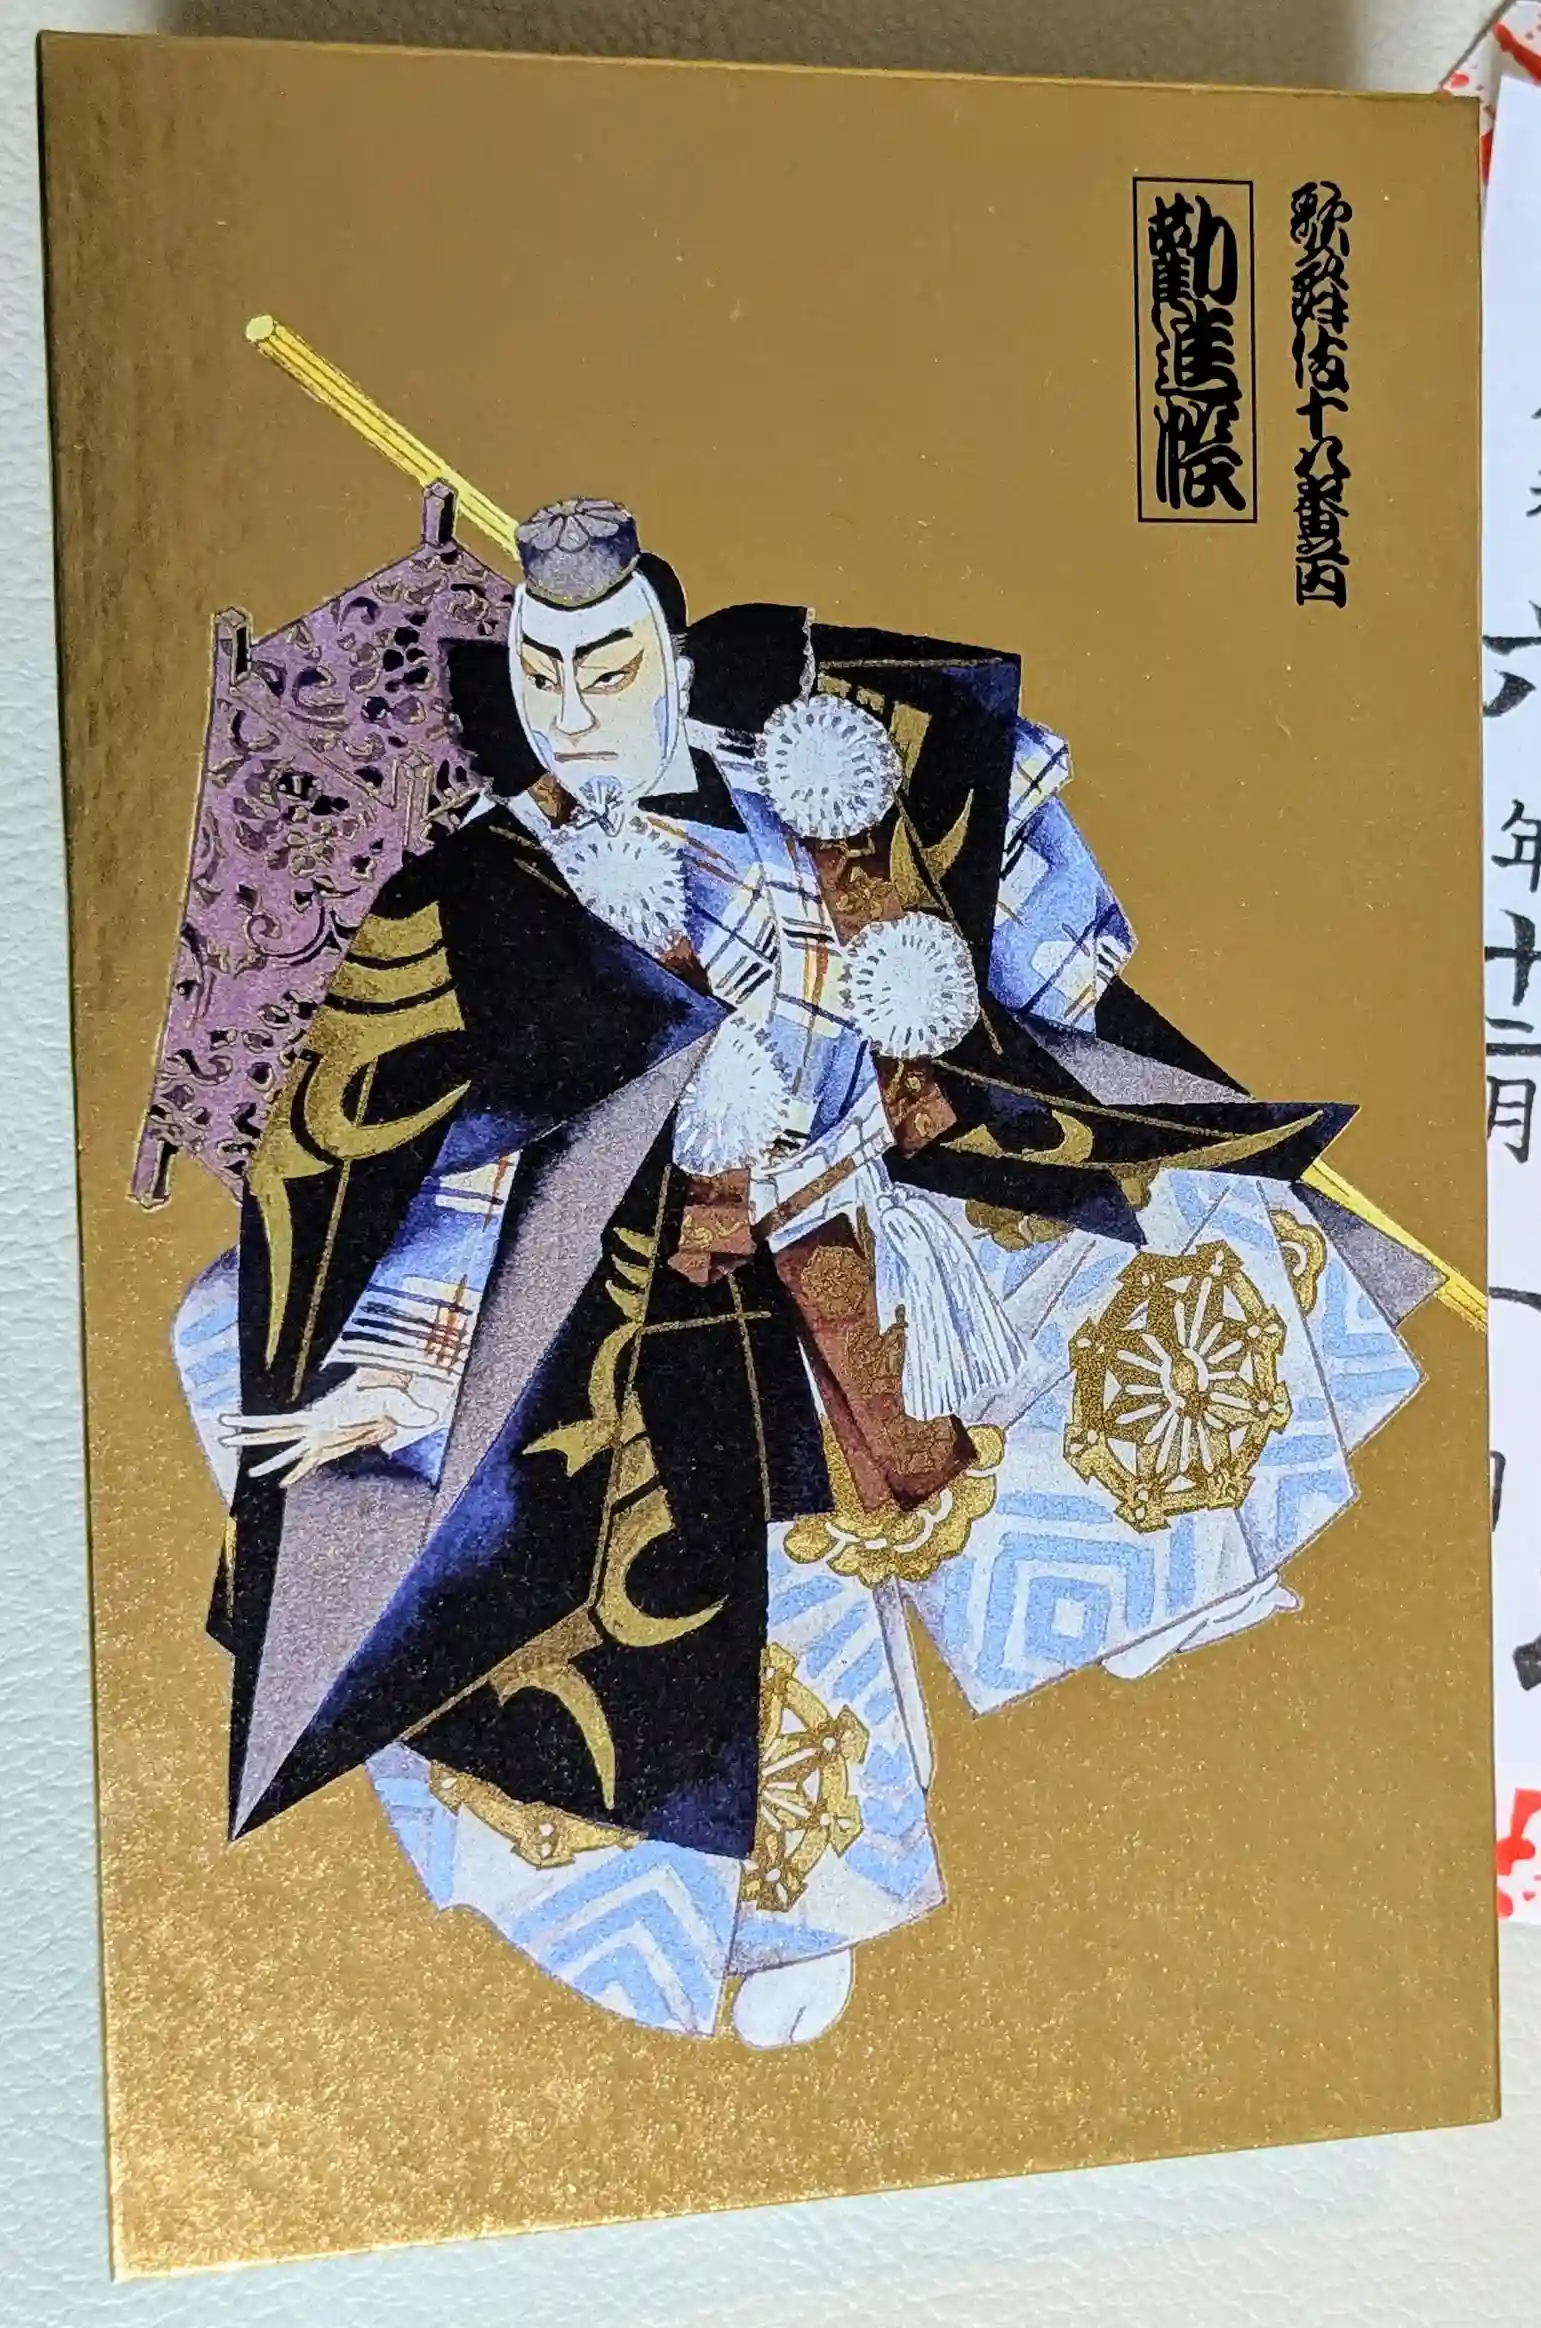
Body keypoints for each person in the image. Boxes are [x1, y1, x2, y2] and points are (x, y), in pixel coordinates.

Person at [176, 499, 1433, 2043]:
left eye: (607, 663)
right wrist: (404, 1354)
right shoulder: (493, 896)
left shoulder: (807, 760)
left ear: (670, 649)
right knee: (736, 1606)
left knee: (1108, 1261)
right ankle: (781, 1907)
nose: (576, 707)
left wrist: (1017, 977)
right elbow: (464, 1158)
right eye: (543, 674)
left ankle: (1151, 1585)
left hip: (888, 1175)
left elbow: (984, 903)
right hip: (680, 1280)